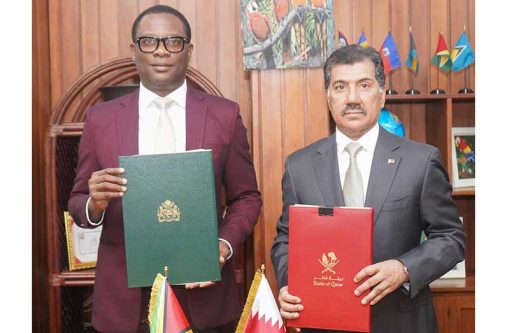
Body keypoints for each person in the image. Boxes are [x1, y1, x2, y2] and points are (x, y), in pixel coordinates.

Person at [68, 5, 261, 333]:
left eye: (173, 41)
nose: (160, 50)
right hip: (125, 300)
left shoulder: (223, 116)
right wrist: (94, 203)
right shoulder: (100, 119)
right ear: (134, 51)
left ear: (188, 51)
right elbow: (78, 201)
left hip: (203, 293)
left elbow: (247, 197)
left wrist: (223, 246)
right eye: (149, 41)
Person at [270, 44, 466, 333]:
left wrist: (403, 269)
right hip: (323, 322)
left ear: (382, 94)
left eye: (364, 85)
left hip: (400, 321)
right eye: (340, 87)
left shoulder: (421, 161)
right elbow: (286, 239)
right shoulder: (299, 166)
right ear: (328, 97)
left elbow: (451, 238)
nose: (352, 98)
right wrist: (290, 284)